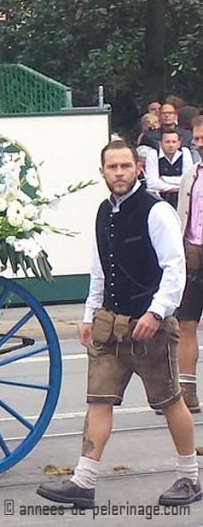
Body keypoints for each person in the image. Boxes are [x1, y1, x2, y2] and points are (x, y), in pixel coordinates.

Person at [37, 140, 200, 510]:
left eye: (126, 166)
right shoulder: (101, 212)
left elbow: (175, 269)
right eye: (113, 167)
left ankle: (189, 477)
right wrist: (88, 315)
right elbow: (99, 269)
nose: (120, 173)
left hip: (150, 327)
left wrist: (157, 313)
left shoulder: (155, 211)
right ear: (102, 173)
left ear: (137, 169)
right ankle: (83, 482)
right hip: (109, 325)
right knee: (98, 401)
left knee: (170, 402)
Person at [172, 116, 203, 416]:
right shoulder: (191, 175)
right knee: (186, 324)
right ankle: (187, 390)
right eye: (196, 138)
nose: (199, 143)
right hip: (193, 255)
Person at [144, 129, 192, 207]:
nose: (171, 145)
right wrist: (174, 188)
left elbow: (187, 179)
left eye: (174, 142)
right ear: (160, 143)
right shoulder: (153, 154)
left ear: (179, 143)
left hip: (181, 197)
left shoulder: (185, 152)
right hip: (159, 198)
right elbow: (151, 183)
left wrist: (163, 179)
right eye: (167, 142)